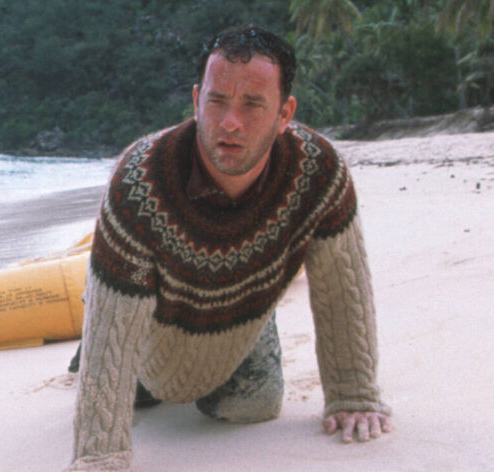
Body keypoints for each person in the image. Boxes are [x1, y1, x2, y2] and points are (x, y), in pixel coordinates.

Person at [68, 25, 392, 470]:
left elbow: (342, 285)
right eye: (217, 101)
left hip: (241, 314)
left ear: (284, 113)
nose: (230, 123)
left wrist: (353, 394)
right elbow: (116, 328)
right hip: (150, 325)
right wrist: (100, 454)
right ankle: (86, 339)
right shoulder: (140, 181)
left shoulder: (317, 172)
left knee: (252, 407)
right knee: (144, 390)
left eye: (252, 104)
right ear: (196, 100)